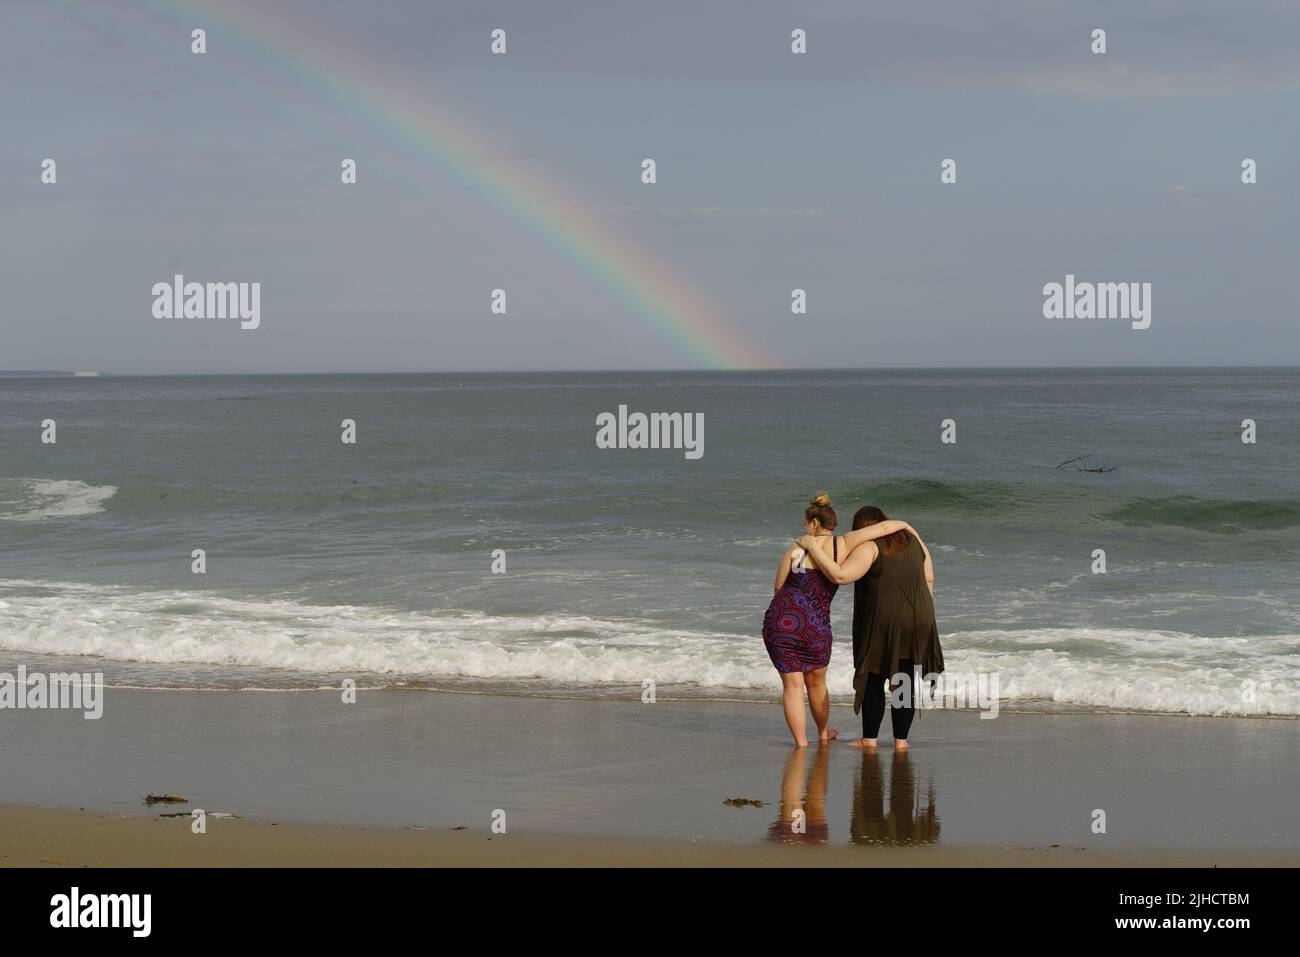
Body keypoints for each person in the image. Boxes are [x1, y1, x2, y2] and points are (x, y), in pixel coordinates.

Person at [763, 493, 917, 747]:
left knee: (792, 687)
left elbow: (778, 586)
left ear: (814, 523)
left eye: (805, 523)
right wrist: (907, 527)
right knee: (816, 683)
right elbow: (885, 527)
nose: (804, 529)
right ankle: (823, 734)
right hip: (815, 625)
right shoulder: (842, 544)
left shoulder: (796, 548)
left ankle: (801, 743)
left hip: (781, 621)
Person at [798, 505, 943, 750]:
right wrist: (920, 612)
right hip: (919, 619)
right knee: (903, 678)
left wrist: (812, 546)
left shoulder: (869, 547)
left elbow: (841, 576)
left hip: (883, 621)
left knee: (873, 676)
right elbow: (929, 577)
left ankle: (870, 739)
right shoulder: (914, 543)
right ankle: (901, 743)